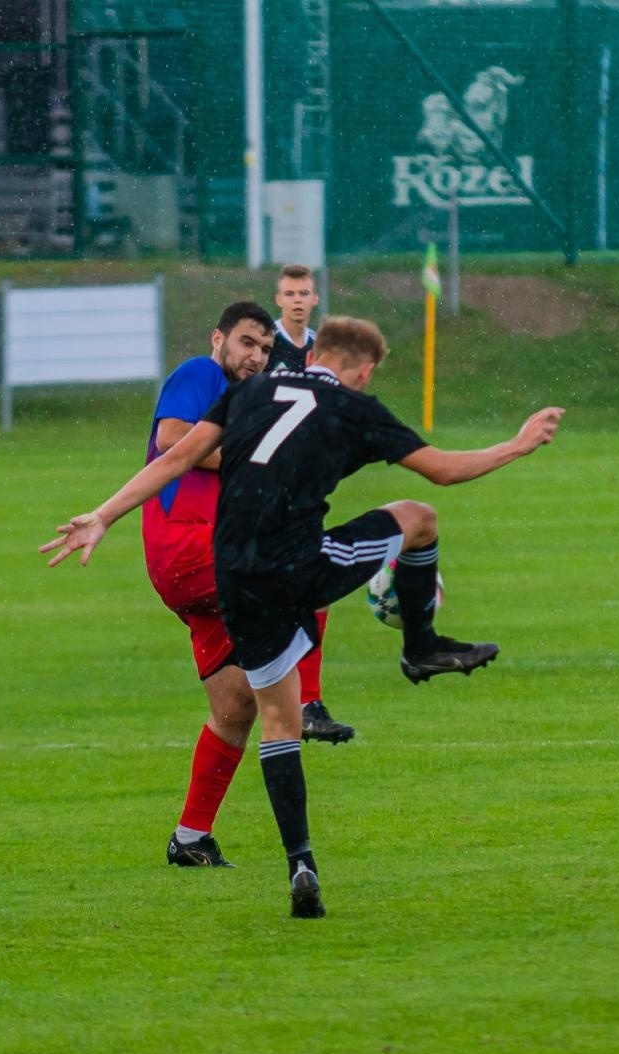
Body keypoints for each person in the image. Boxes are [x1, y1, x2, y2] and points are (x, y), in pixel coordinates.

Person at [44, 316, 563, 917]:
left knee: (273, 719)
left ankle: (301, 865)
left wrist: (104, 515)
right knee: (419, 518)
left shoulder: (252, 392)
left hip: (234, 577)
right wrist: (518, 444)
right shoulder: (355, 408)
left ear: (312, 354)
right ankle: (420, 647)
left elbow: (177, 456)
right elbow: (445, 469)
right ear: (364, 371)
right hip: (295, 567)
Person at [144, 301, 357, 871]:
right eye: (246, 343)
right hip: (187, 545)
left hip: (209, 568)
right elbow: (171, 437)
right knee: (306, 568)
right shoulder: (199, 373)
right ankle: (309, 704)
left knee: (235, 705)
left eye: (264, 349)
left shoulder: (250, 404)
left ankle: (191, 837)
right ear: (217, 339)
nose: (255, 357)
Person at [265, 263, 348, 743]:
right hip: (260, 485)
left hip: (301, 488)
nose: (297, 300)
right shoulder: (264, 346)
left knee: (314, 586)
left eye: (304, 293)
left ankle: (305, 702)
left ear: (315, 299)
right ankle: (288, 698)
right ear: (278, 299)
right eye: (290, 293)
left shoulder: (322, 351)